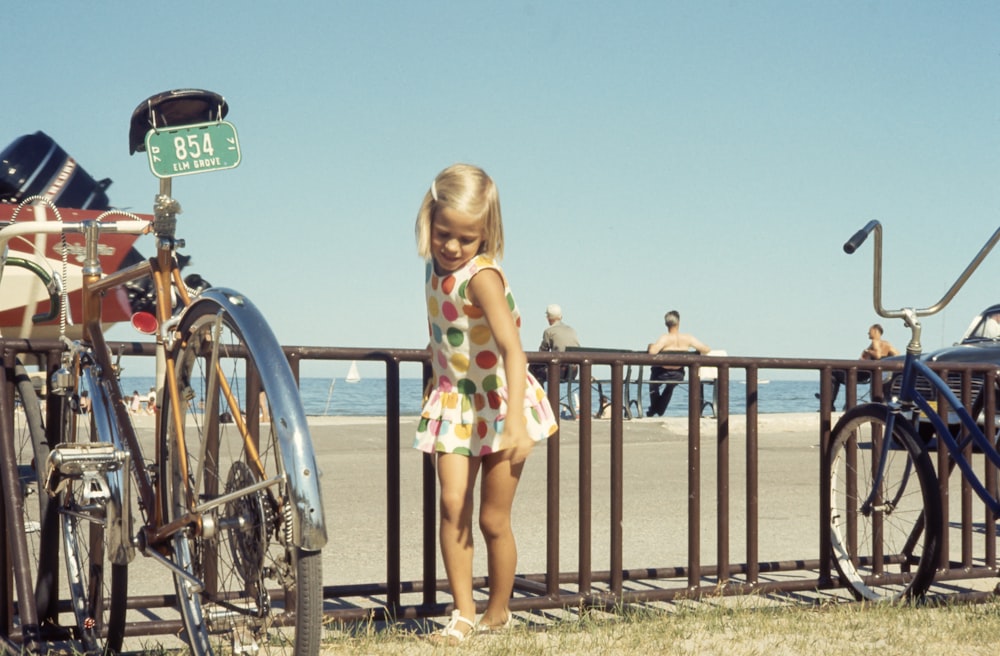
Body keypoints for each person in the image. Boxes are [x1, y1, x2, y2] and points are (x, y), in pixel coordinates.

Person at [413, 163, 559, 644]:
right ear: (429, 221)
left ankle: (498, 610)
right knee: (452, 504)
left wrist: (515, 421)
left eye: (466, 239)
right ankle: (462, 612)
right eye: (444, 234)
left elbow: (514, 349)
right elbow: (443, 337)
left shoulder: (482, 277)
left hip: (500, 405)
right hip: (455, 406)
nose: (452, 247)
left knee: (493, 518)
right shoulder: (434, 272)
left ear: (485, 235)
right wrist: (435, 382)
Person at [816, 323, 899, 410]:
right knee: (837, 373)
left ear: (875, 331)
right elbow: (897, 354)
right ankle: (830, 400)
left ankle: (828, 403)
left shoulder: (875, 342)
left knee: (832, 373)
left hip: (861, 373)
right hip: (869, 374)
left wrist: (867, 351)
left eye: (869, 331)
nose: (868, 333)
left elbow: (877, 355)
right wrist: (885, 358)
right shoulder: (887, 344)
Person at [645, 310, 710, 417]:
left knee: (653, 384)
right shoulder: (687, 338)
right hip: (678, 375)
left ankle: (655, 408)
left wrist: (650, 345)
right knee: (670, 386)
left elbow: (653, 352)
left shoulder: (665, 338)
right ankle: (658, 409)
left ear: (666, 324)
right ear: (678, 322)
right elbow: (706, 349)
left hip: (661, 374)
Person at [530, 304, 581, 384]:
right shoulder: (572, 330)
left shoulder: (549, 331)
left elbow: (542, 353)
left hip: (558, 372)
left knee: (533, 368)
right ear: (561, 317)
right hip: (573, 372)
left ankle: (540, 395)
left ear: (548, 318)